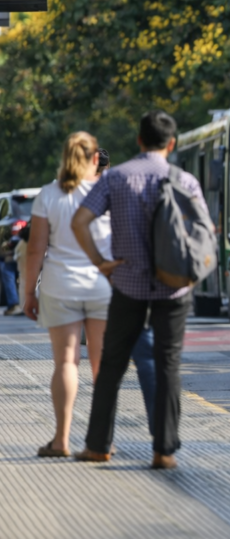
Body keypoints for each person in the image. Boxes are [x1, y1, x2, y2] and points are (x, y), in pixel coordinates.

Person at [70, 111, 209, 470]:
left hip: (127, 286)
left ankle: (98, 445)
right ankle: (164, 451)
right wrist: (193, 273)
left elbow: (79, 221)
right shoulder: (185, 180)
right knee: (168, 365)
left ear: (138, 140)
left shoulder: (115, 178)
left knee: (112, 365)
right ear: (172, 143)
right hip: (174, 289)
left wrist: (101, 263)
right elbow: (206, 233)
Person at [23, 132, 112, 458]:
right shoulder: (107, 191)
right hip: (102, 286)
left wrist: (28, 292)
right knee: (102, 365)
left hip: (60, 286)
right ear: (93, 159)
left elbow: (35, 249)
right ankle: (102, 442)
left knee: (65, 362)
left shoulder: (49, 194)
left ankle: (61, 440)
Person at [97, 147, 158, 439]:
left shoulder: (84, 191)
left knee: (106, 364)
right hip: (142, 284)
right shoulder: (171, 179)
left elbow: (77, 225)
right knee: (150, 359)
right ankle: (162, 439)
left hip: (100, 283)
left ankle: (99, 442)